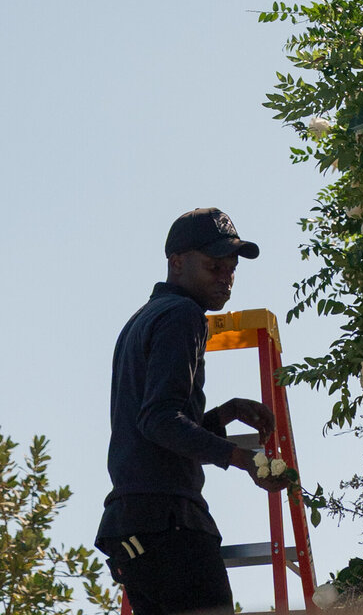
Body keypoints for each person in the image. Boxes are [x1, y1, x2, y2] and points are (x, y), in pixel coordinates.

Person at [96, 208, 277, 614]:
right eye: (214, 266)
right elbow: (159, 420)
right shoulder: (184, 315)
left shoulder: (143, 317)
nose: (225, 278)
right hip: (170, 523)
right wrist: (244, 459)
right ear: (177, 263)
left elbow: (157, 429)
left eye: (231, 269)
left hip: (136, 526)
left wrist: (224, 414)